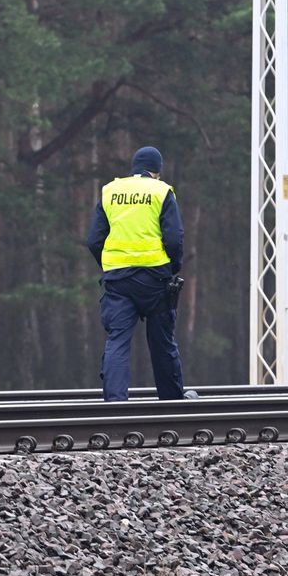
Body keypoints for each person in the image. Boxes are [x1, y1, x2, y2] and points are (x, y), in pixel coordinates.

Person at [86, 146, 195, 401]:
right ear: (156, 170)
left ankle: (115, 404)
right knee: (162, 342)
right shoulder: (161, 191)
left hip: (118, 280)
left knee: (118, 341)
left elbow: (93, 240)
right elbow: (174, 237)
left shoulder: (110, 191)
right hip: (156, 279)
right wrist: (173, 267)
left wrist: (111, 264)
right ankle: (171, 401)